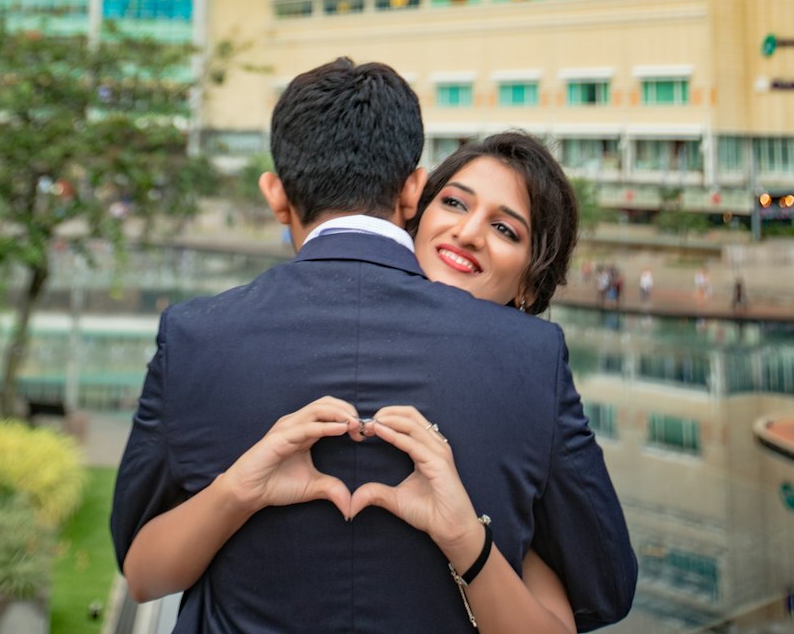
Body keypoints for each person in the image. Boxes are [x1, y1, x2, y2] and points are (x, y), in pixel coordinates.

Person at [111, 59, 637, 634]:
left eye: (505, 229)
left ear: (275, 192)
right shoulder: (532, 359)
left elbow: (140, 569)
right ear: (415, 192)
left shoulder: (196, 334)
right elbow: (603, 585)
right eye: (455, 202)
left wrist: (472, 537)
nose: (465, 233)